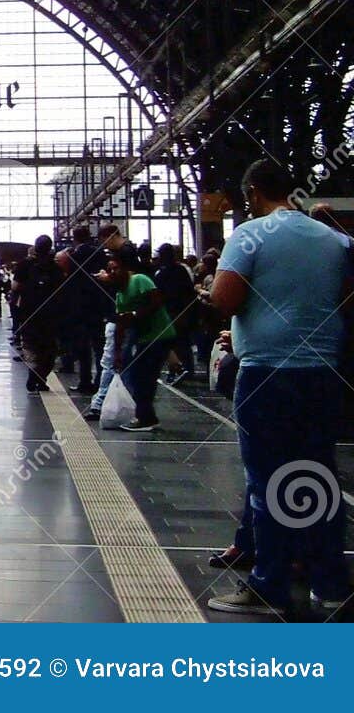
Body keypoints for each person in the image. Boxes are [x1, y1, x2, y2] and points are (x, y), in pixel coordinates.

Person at [206, 159, 351, 618]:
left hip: (268, 374)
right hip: (322, 374)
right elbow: (348, 300)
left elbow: (225, 298)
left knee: (267, 482)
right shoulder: (335, 240)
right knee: (318, 478)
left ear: (252, 193)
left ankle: (269, 585)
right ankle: (329, 584)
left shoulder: (250, 235)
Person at [103, 243, 176, 432]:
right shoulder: (120, 294)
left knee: (143, 376)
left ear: (125, 268)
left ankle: (146, 418)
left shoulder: (140, 280)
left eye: (115, 268)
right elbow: (120, 325)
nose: (112, 272)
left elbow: (156, 300)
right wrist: (117, 353)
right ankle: (145, 415)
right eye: (109, 270)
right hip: (144, 339)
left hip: (160, 334)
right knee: (139, 376)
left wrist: (135, 315)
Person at [56, 225, 111, 394]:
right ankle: (100, 382)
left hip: (79, 307)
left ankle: (85, 381)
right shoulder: (100, 253)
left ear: (74, 238)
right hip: (98, 306)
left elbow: (69, 280)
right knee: (99, 346)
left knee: (82, 347)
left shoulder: (74, 256)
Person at [12, 234, 63, 393]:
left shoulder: (24, 265)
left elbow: (15, 287)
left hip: (28, 313)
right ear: (50, 247)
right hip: (51, 315)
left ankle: (33, 373)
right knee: (49, 349)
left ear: (35, 246)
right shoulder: (55, 267)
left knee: (31, 346)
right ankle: (40, 378)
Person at [152, 243, 197, 382]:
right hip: (183, 312)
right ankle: (188, 369)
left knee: (170, 344)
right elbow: (190, 292)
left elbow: (158, 295)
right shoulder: (182, 270)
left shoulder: (161, 274)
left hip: (168, 313)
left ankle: (175, 370)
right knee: (184, 342)